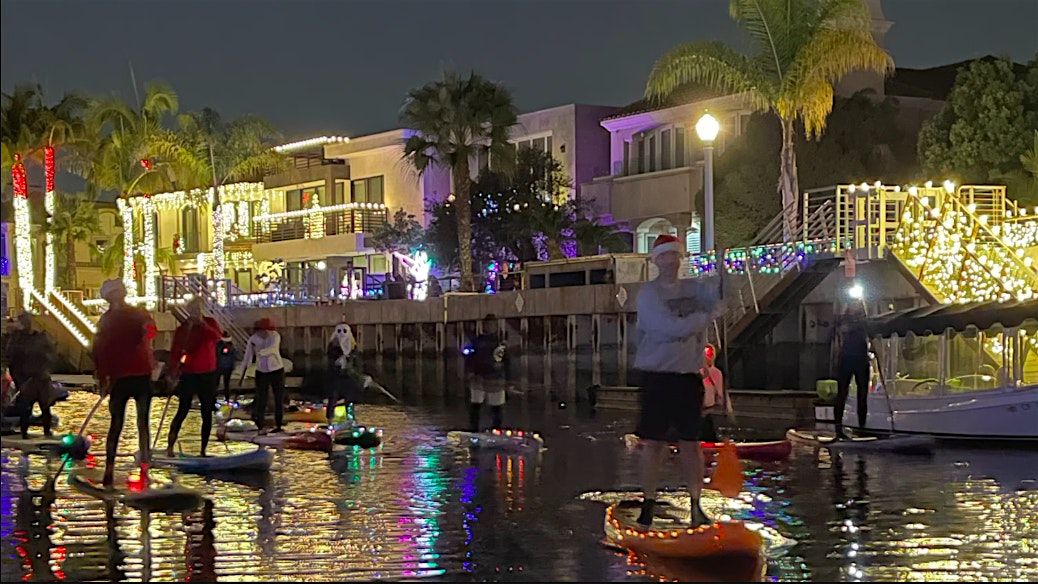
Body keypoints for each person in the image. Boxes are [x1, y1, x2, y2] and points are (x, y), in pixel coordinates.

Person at [634, 234, 720, 528]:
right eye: (665, 257)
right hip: (657, 375)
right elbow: (666, 328)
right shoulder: (648, 295)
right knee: (653, 443)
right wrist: (702, 319)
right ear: (656, 260)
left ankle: (696, 503)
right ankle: (648, 502)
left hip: (687, 376)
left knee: (691, 442)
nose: (670, 262)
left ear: (680, 259)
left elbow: (721, 297)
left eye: (674, 257)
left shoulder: (694, 289)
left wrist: (723, 272)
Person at [93, 278, 157, 485]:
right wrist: (103, 378)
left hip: (138, 375)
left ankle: (143, 469)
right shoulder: (108, 320)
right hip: (121, 377)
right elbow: (99, 351)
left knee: (141, 423)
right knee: (118, 424)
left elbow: (150, 332)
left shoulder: (135, 314)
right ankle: (110, 470)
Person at [165, 298, 224, 457]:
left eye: (198, 309)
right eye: (193, 310)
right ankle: (170, 446)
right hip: (189, 373)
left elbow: (217, 337)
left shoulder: (209, 323)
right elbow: (176, 351)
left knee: (207, 412)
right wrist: (172, 372)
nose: (196, 312)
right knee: (182, 409)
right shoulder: (183, 329)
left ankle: (203, 450)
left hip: (208, 373)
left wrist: (202, 324)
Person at [5, 312, 56, 438]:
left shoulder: (40, 337)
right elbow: (11, 359)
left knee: (45, 407)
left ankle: (46, 432)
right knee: (25, 408)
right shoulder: (17, 339)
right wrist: (19, 381)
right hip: (26, 379)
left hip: (41, 377)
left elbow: (51, 355)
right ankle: (24, 433)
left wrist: (46, 368)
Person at [465, 315, 509, 432]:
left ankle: (496, 431)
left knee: (496, 408)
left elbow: (506, 360)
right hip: (478, 378)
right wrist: (470, 372)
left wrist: (507, 378)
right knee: (476, 406)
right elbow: (470, 358)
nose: (489, 327)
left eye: (492, 325)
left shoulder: (500, 343)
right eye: (487, 325)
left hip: (495, 379)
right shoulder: (477, 341)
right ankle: (474, 430)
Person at [241, 318, 285, 433]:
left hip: (277, 370)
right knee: (261, 399)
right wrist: (244, 367)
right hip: (262, 372)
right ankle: (260, 426)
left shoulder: (275, 336)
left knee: (278, 398)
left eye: (269, 330)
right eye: (265, 330)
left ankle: (279, 425)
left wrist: (260, 353)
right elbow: (248, 355)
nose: (267, 333)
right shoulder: (253, 339)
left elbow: (273, 349)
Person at [834, 302, 871, 439]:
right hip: (847, 359)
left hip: (861, 359)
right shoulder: (844, 321)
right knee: (842, 393)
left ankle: (862, 428)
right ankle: (838, 428)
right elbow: (841, 329)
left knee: (863, 395)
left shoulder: (865, 321)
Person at [325, 323, 360, 423]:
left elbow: (356, 362)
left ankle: (350, 420)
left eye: (345, 331)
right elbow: (331, 359)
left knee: (349, 399)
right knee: (333, 398)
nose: (342, 334)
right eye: (339, 331)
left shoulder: (353, 347)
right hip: (335, 376)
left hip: (348, 376)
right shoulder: (333, 345)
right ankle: (329, 420)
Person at [698, 343, 732, 442]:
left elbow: (720, 393)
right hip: (698, 411)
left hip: (708, 411)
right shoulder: (695, 371)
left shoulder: (716, 373)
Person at [215, 332, 238, 402]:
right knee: (226, 384)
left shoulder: (218, 346)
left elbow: (216, 355)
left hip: (219, 367)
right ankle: (227, 398)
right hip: (228, 368)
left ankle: (213, 398)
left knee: (216, 384)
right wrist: (233, 366)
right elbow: (234, 357)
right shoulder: (233, 347)